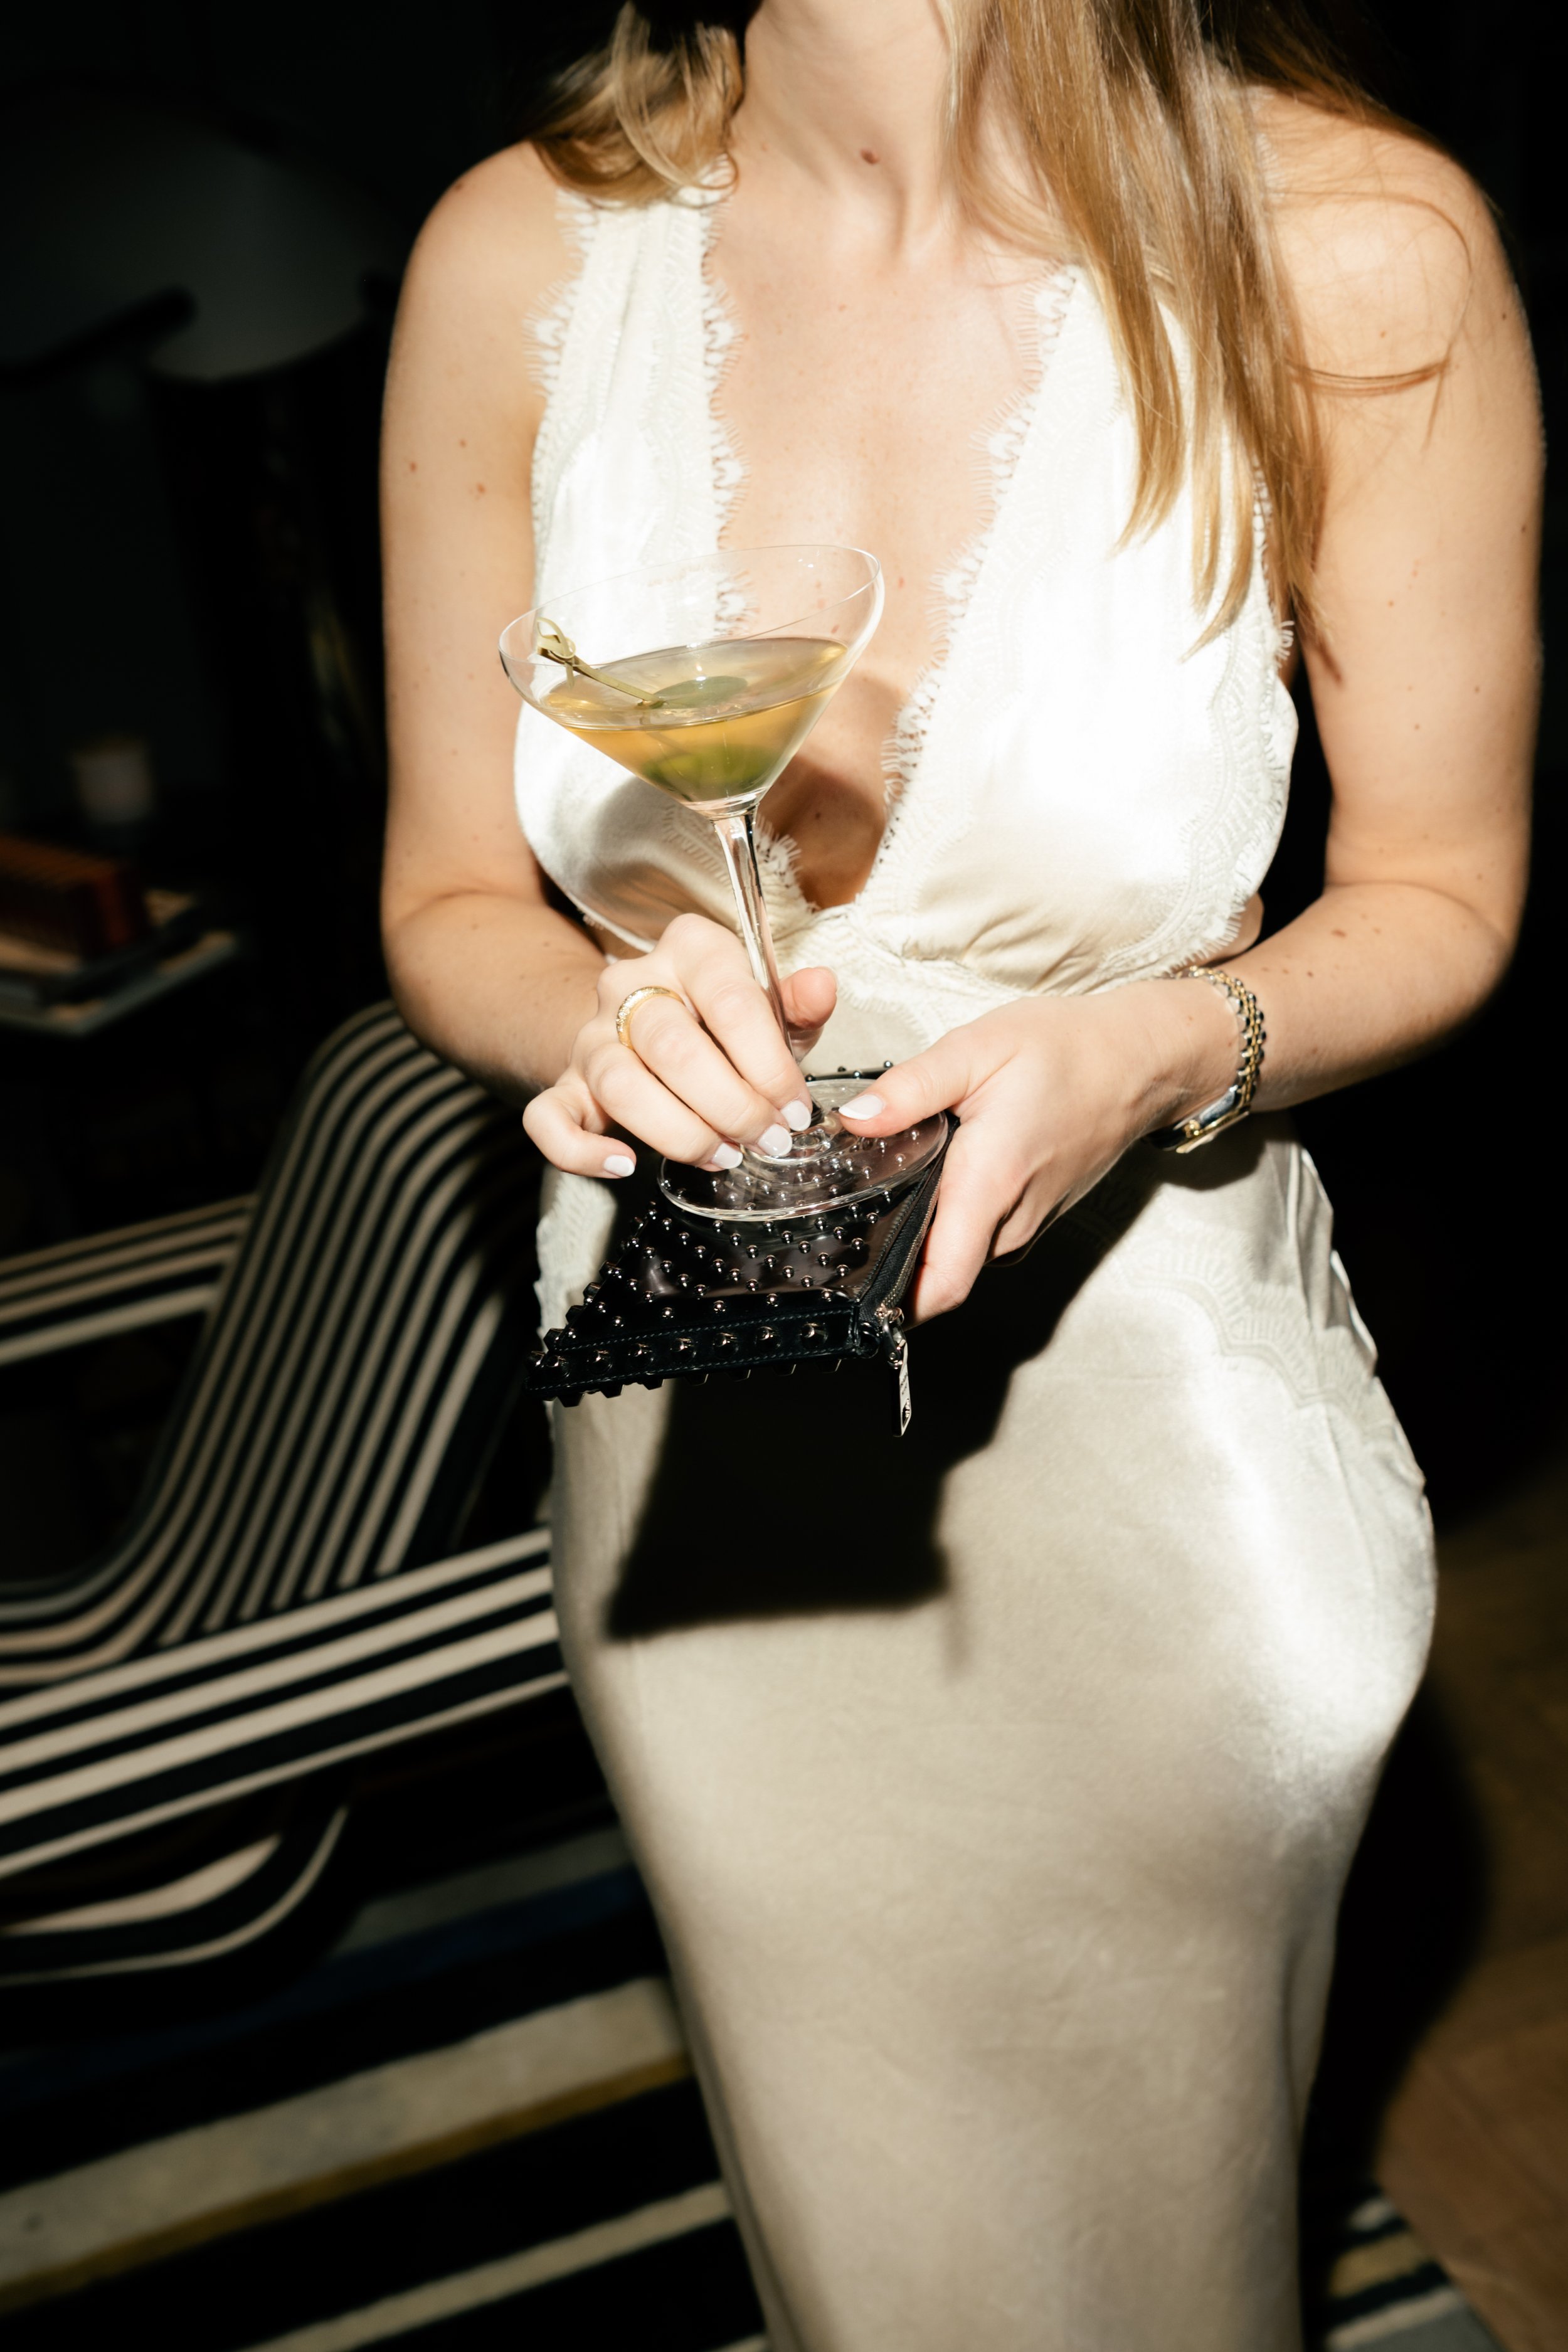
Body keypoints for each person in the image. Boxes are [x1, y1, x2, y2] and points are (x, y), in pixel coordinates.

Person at [379, 3, 1540, 2342]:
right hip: (700, 1482)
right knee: (865, 2231)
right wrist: (601, 1016)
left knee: (1165, 2241)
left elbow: (1445, 890)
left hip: (1157, 1489)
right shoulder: (521, 254)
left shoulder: (1351, 249)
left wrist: (1158, 1044)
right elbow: (444, 907)